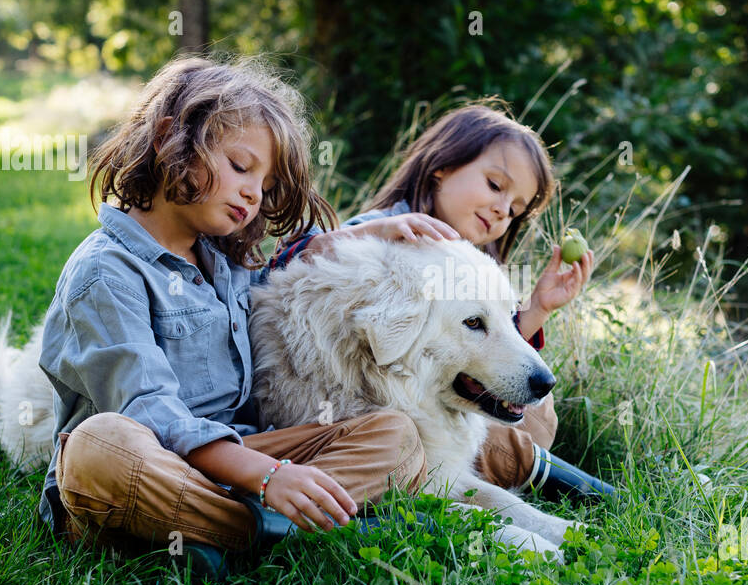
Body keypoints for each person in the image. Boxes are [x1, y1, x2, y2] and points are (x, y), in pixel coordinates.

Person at [36, 55, 433, 582]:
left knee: (396, 436)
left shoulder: (221, 261)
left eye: (264, 186)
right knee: (100, 444)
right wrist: (270, 478)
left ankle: (225, 538)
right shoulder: (105, 274)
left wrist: (358, 236)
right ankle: (264, 531)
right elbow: (151, 411)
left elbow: (277, 279)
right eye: (241, 167)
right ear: (166, 140)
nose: (253, 193)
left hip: (235, 461)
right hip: (145, 470)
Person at [260, 99, 616, 502]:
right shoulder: (385, 237)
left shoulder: (475, 263)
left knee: (536, 409)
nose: (502, 210)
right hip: (364, 408)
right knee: (508, 437)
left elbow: (487, 338)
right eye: (496, 186)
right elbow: (296, 263)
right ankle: (586, 492)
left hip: (440, 406)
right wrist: (371, 231)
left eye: (515, 210)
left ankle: (555, 482)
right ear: (441, 168)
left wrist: (539, 309)